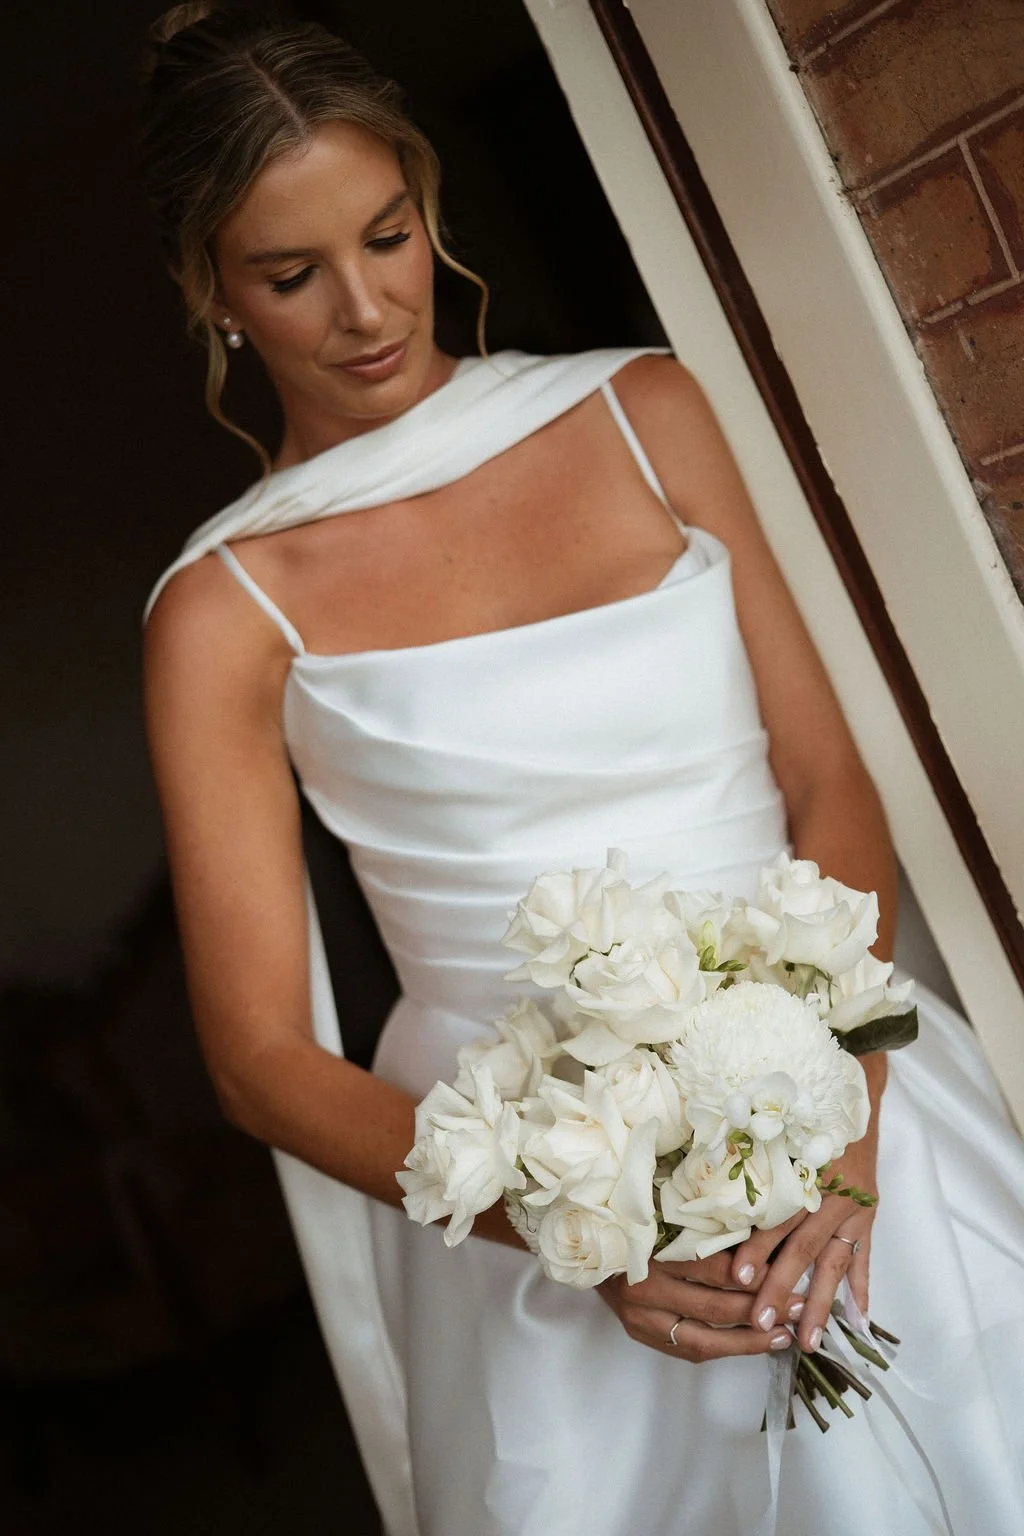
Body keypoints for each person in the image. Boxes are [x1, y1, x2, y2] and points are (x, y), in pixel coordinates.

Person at [139, 7, 1024, 1534]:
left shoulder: (644, 409)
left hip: (854, 1083)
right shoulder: (224, 611)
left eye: (389, 236)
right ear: (213, 292)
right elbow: (259, 1061)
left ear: (429, 210)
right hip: (532, 1184)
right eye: (292, 276)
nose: (365, 308)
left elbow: (826, 780)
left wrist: (847, 1101)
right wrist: (574, 1228)